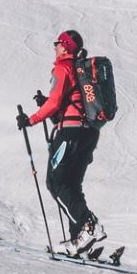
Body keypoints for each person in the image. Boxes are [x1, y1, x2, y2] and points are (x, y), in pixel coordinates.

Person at [17, 30, 105, 256]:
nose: (55, 46)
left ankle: (89, 226)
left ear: (65, 47)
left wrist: (31, 119)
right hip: (88, 134)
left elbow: (56, 103)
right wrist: (46, 104)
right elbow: (67, 103)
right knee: (72, 185)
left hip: (71, 134)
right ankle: (79, 240)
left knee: (56, 183)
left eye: (57, 43)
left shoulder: (63, 67)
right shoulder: (79, 70)